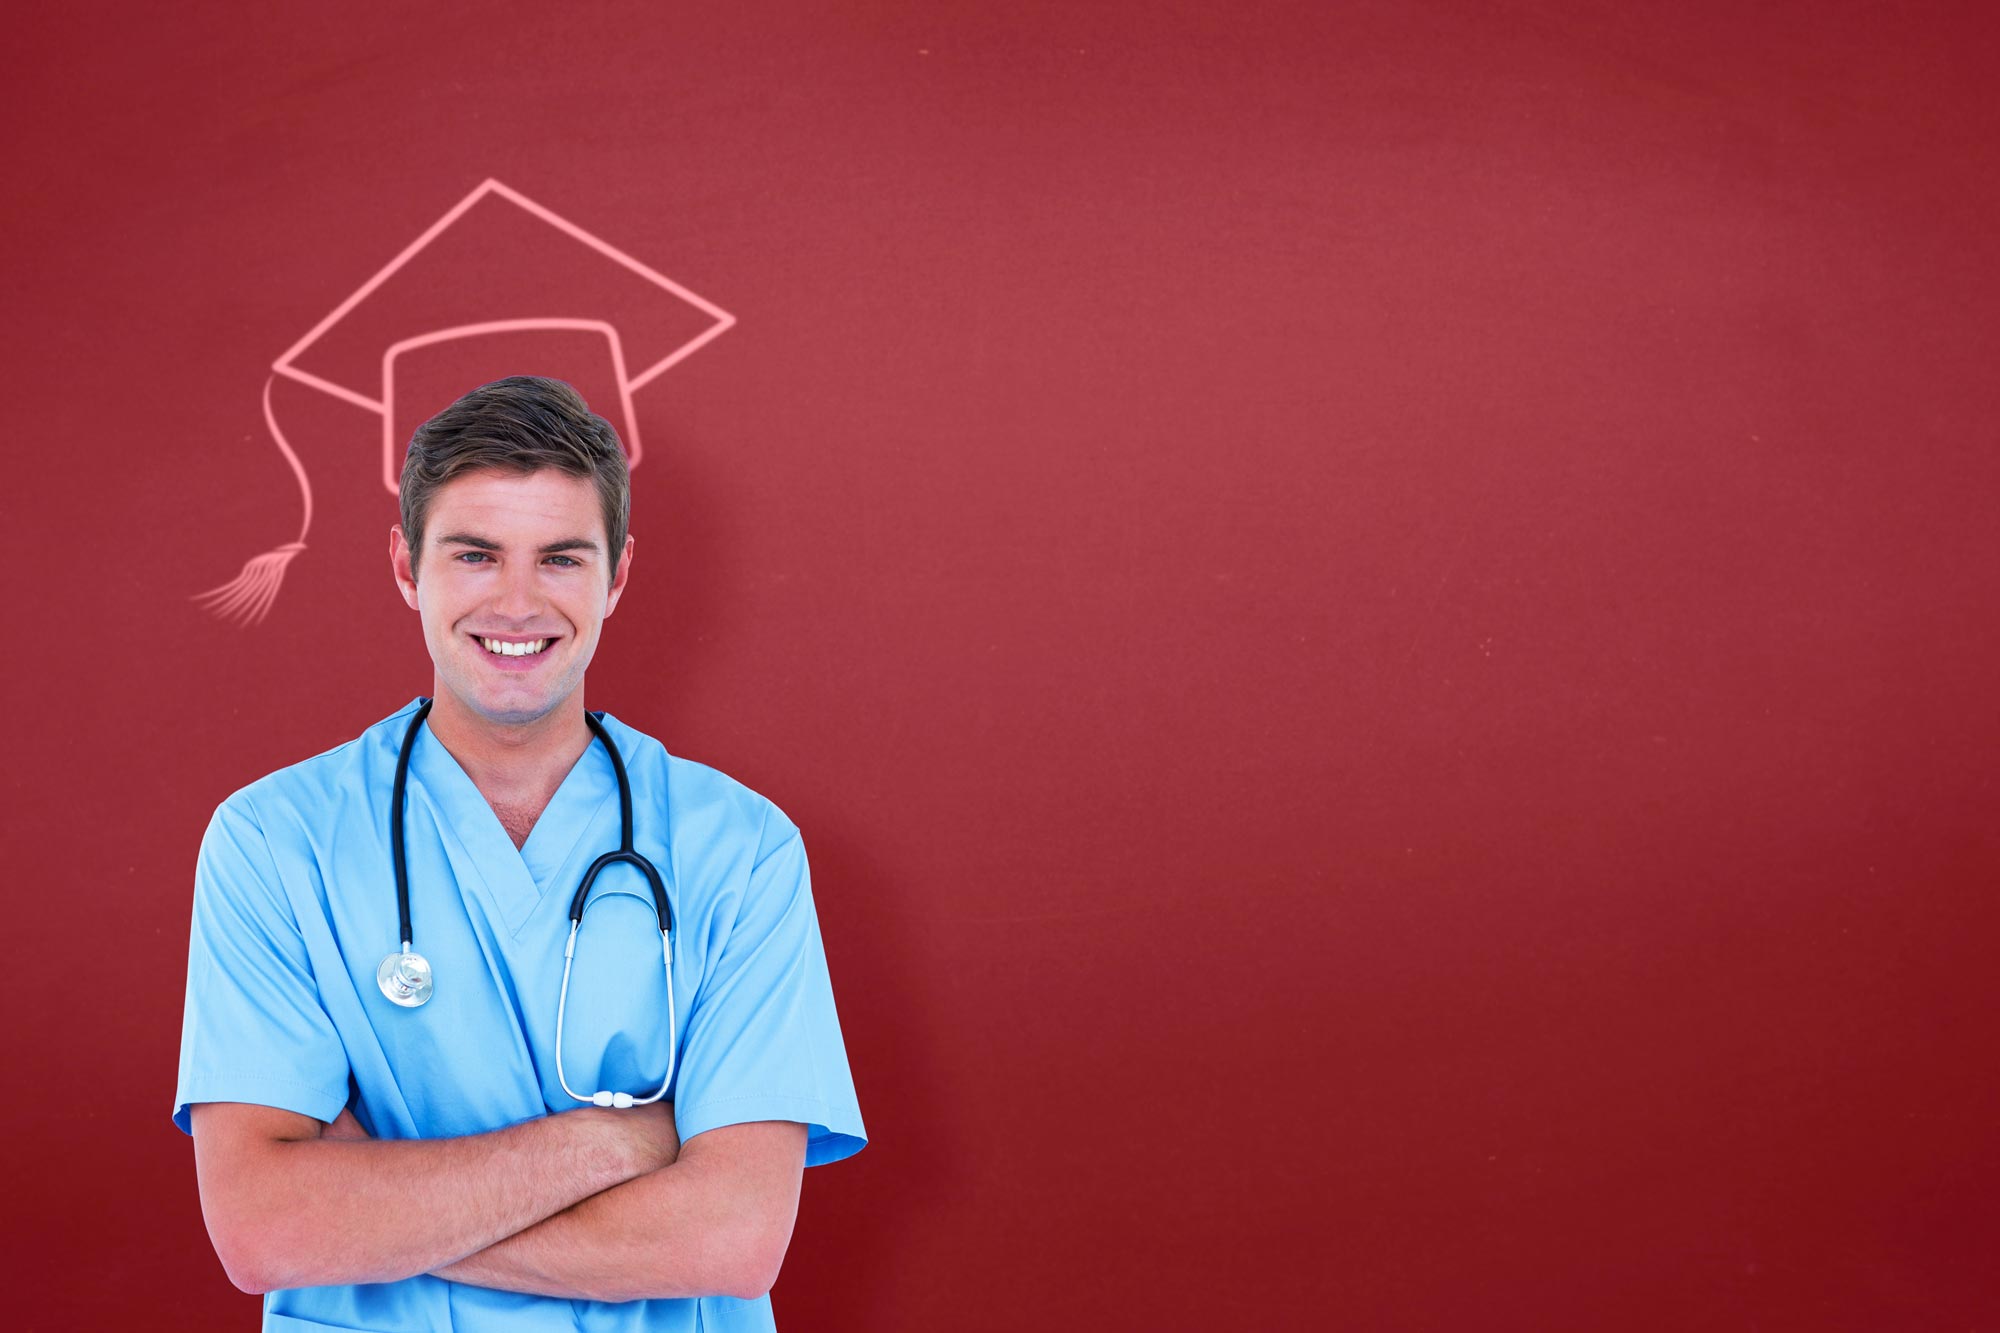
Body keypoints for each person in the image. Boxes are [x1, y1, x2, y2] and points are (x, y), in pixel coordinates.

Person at [173, 376, 865, 1332]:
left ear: (617, 575)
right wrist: (610, 1146)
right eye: (475, 554)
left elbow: (733, 1238)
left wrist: (368, 1212)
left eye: (561, 559)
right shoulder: (273, 841)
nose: (517, 600)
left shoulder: (741, 850)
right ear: (406, 566)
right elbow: (264, 1228)